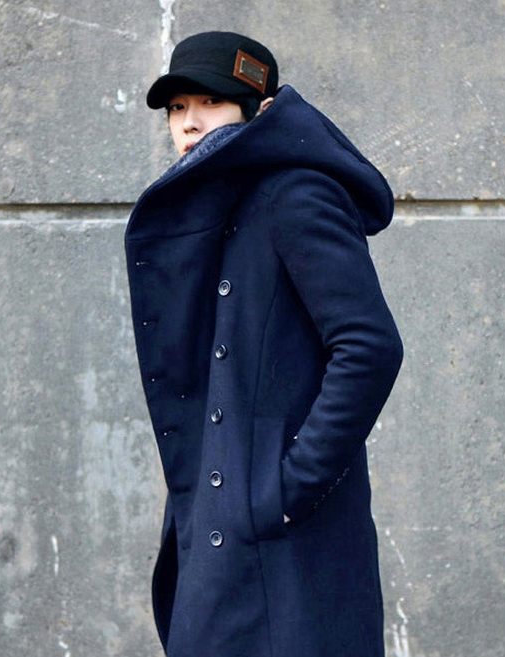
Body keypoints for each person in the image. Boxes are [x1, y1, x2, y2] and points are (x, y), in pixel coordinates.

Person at [125, 31, 403, 657]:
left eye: (212, 102)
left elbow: (369, 345)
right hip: (217, 528)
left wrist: (285, 490)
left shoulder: (296, 195)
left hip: (280, 539)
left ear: (263, 110)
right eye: (177, 107)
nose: (189, 122)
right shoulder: (215, 207)